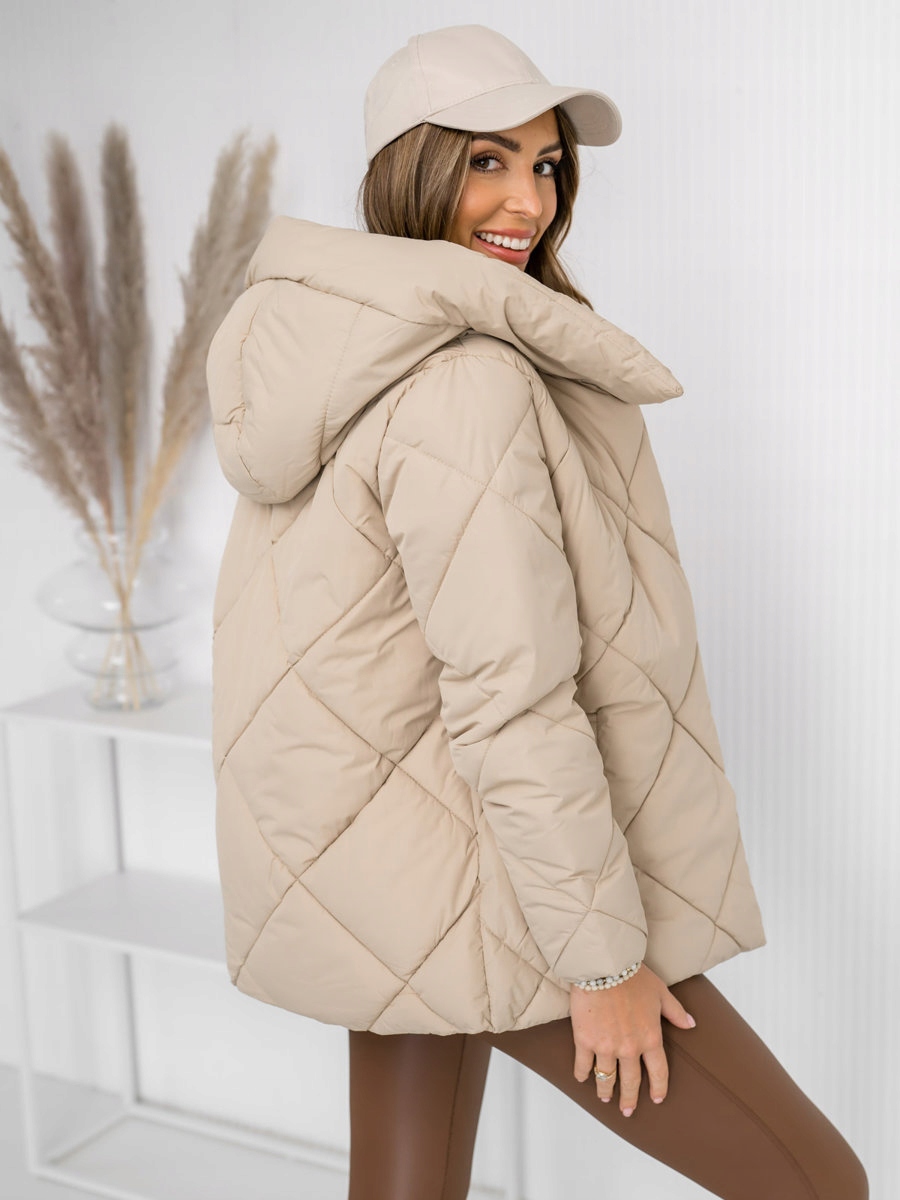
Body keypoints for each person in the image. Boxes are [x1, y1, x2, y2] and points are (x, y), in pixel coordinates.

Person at [206, 23, 868, 1200]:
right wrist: (602, 961)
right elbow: (512, 693)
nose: (529, 199)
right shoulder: (463, 377)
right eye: (487, 160)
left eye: (547, 164)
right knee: (817, 1183)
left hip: (384, 872)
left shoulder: (336, 351)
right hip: (494, 885)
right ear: (409, 168)